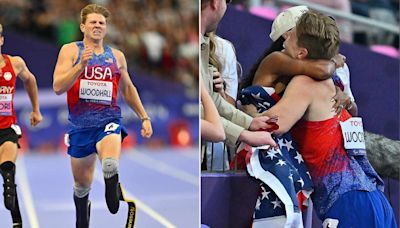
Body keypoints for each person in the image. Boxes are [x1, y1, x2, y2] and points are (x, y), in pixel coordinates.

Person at [264, 11, 396, 227]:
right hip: (371, 197)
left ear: (301, 52)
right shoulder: (330, 80)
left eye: (291, 35)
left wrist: (242, 108)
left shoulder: (304, 83)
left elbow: (274, 124)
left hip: (350, 202)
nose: (285, 39)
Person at [52, 4, 152, 228]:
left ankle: (111, 186)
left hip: (108, 120)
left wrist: (144, 117)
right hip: (80, 126)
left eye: (101, 23)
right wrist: (80, 66)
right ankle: (82, 214)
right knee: (81, 186)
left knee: (109, 164)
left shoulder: (116, 56)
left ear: (106, 28)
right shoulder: (70, 50)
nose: (97, 26)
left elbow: (128, 89)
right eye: (93, 22)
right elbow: (58, 87)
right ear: (83, 26)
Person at [201, 0, 277, 151]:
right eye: (226, 1)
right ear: (215, 3)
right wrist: (245, 134)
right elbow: (201, 111)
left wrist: (249, 123)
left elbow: (212, 99)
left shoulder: (203, 44)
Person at [0, 23, 43, 227]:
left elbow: (30, 80)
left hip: (7, 129)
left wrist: (36, 109)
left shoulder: (15, 63)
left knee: (8, 176)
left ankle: (16, 221)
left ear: (1, 40)